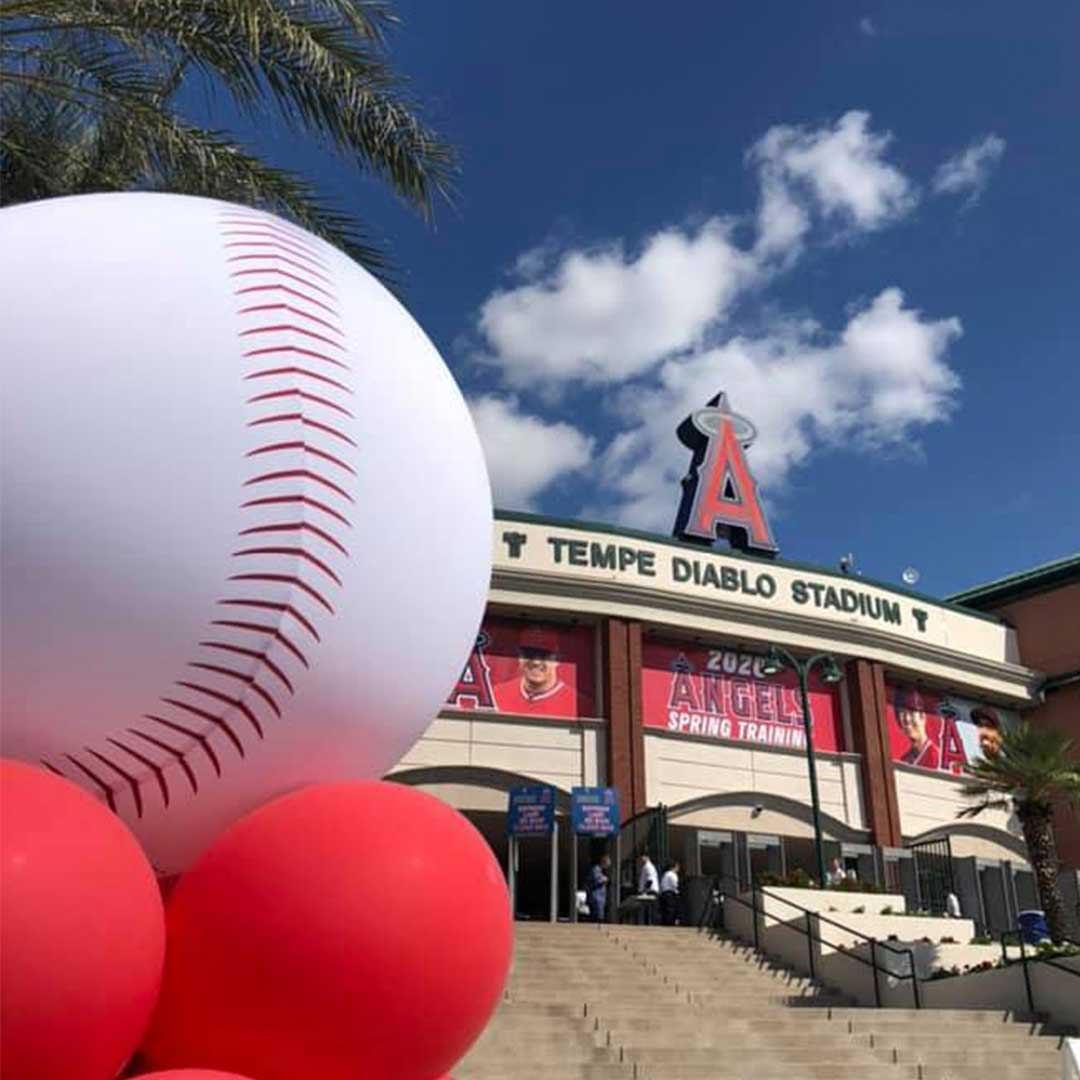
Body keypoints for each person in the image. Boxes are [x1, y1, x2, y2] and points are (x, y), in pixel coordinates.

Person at [496, 626, 582, 717]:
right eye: (529, 654)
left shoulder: (577, 704)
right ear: (519, 657)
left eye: (544, 655)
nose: (536, 662)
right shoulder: (498, 693)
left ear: (558, 659)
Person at [893, 687, 940, 770]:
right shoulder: (904, 760)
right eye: (902, 713)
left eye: (911, 713)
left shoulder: (936, 758)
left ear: (922, 716)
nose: (907, 719)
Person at [587, 854, 610, 923]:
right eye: (607, 865)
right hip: (596, 897)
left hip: (600, 897)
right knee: (597, 916)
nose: (607, 867)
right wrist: (604, 879)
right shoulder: (596, 869)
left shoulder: (601, 871)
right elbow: (596, 880)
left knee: (600, 915)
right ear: (603, 862)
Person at [660, 861, 681, 926]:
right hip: (670, 894)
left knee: (665, 910)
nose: (678, 869)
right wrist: (678, 892)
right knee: (671, 910)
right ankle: (670, 924)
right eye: (677, 867)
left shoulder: (665, 874)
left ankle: (665, 923)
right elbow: (675, 885)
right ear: (673, 867)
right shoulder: (672, 874)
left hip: (664, 893)